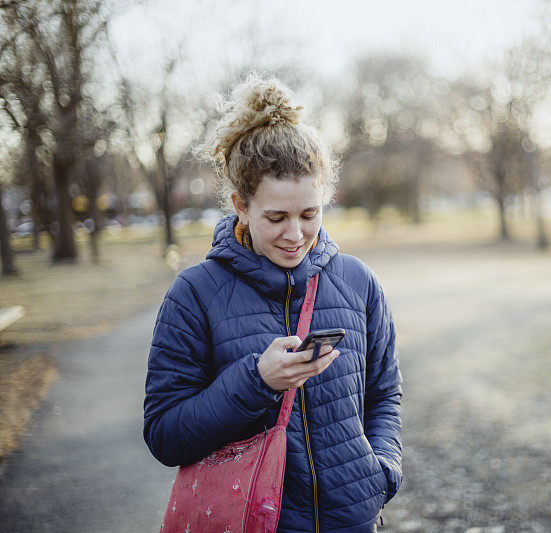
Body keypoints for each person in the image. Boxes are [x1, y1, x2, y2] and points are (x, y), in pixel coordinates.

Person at [143, 74, 403, 532]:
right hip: (255, 522)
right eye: (276, 217)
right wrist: (256, 381)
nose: (296, 234)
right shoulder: (194, 294)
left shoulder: (357, 281)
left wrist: (381, 471)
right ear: (239, 204)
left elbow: (384, 393)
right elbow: (165, 435)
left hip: (356, 521)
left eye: (310, 214)